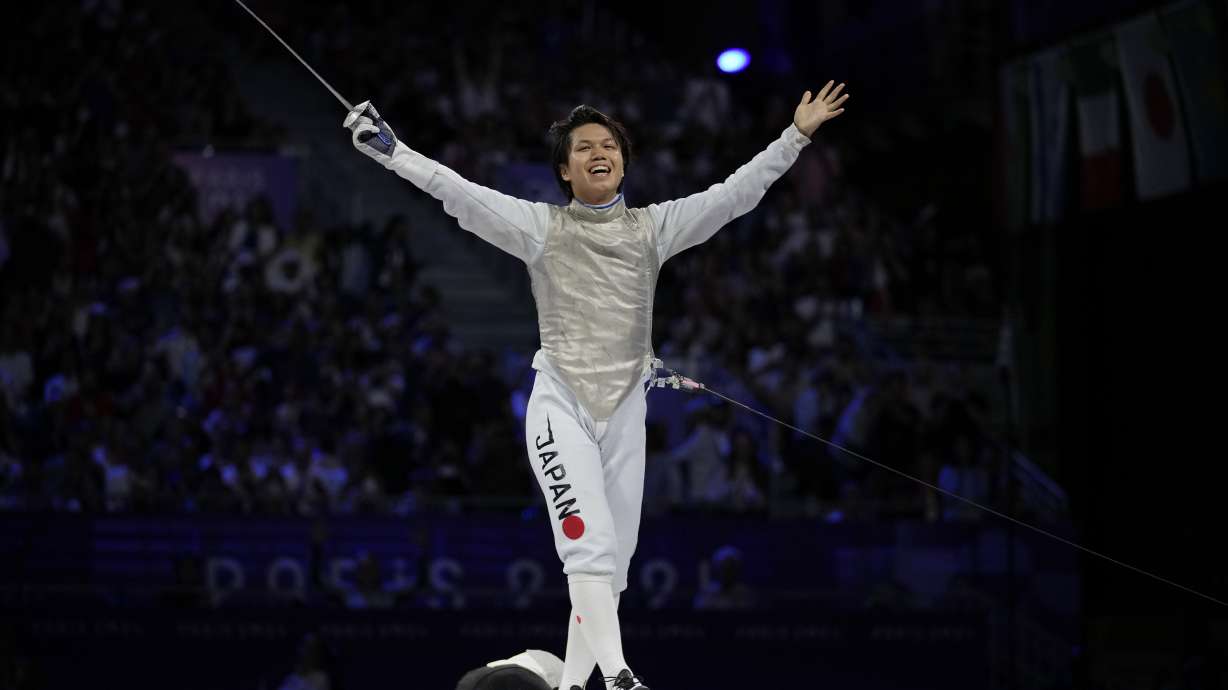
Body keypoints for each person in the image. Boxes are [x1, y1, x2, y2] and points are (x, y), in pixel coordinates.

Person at [345, 80, 849, 690]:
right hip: (562, 407)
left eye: (606, 144)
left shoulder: (652, 230)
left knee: (611, 573)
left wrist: (795, 137)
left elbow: (732, 197)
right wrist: (393, 152)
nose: (597, 152)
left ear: (622, 161)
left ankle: (573, 687)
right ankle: (618, 676)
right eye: (583, 147)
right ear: (565, 170)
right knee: (587, 553)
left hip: (625, 414)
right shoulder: (542, 228)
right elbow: (463, 195)